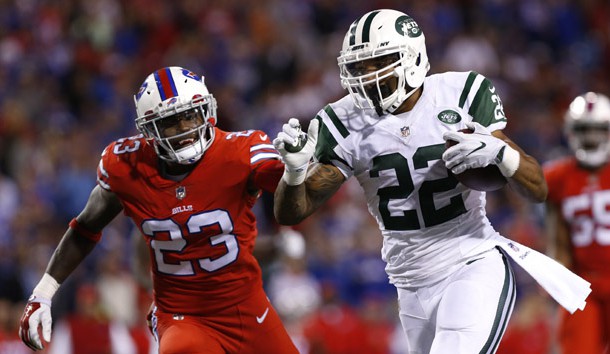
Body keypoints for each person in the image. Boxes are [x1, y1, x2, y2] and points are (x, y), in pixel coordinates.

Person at [273, 8, 591, 354]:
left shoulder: (461, 93)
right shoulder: (343, 120)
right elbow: (292, 212)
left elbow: (537, 188)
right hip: (409, 283)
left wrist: (500, 153)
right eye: (358, 67)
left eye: (377, 63)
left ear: (411, 59)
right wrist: (293, 172)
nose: (366, 77)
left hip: (471, 262)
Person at [19, 66, 299, 354]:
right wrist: (43, 293)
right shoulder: (126, 166)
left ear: (207, 111)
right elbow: (85, 228)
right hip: (181, 316)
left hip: (245, 305)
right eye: (170, 123)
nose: (185, 130)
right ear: (149, 130)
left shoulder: (241, 151)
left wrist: (299, 169)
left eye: (190, 115)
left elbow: (297, 204)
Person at [544, 92, 610, 354]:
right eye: (584, 130)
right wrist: (558, 281)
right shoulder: (558, 176)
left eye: (597, 130)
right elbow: (557, 235)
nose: (591, 138)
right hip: (584, 286)